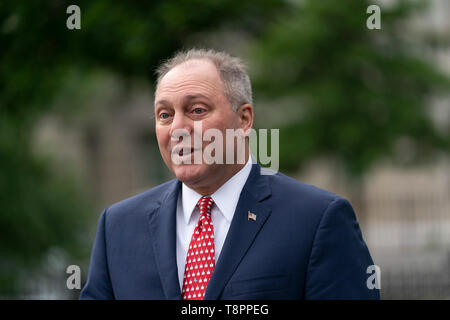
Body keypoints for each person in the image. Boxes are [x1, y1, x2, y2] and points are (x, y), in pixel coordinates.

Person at [80, 49, 380, 300]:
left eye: (196, 110)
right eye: (164, 115)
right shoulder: (118, 227)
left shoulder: (317, 220)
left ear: (244, 119)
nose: (177, 129)